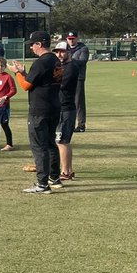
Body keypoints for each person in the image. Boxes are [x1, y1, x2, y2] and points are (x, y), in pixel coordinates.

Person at [11, 30, 62, 194]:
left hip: (39, 109)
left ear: (40, 44)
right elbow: (39, 80)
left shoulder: (41, 62)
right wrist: (25, 73)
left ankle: (42, 184)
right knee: (50, 144)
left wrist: (18, 73)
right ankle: (54, 178)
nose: (31, 47)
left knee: (39, 147)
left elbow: (26, 86)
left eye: (33, 44)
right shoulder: (54, 59)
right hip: (54, 106)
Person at [54, 41, 80, 181]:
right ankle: (68, 170)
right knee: (64, 141)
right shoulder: (62, 66)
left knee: (61, 141)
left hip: (65, 108)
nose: (59, 54)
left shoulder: (71, 67)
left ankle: (64, 172)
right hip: (63, 107)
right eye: (57, 51)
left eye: (62, 51)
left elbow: (61, 85)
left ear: (68, 52)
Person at [64, 31, 89, 132]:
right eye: (69, 39)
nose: (71, 40)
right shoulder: (65, 48)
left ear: (77, 38)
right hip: (66, 77)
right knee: (66, 100)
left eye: (73, 38)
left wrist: (69, 60)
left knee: (78, 102)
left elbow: (82, 61)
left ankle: (81, 125)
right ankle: (69, 124)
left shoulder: (83, 48)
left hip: (78, 77)